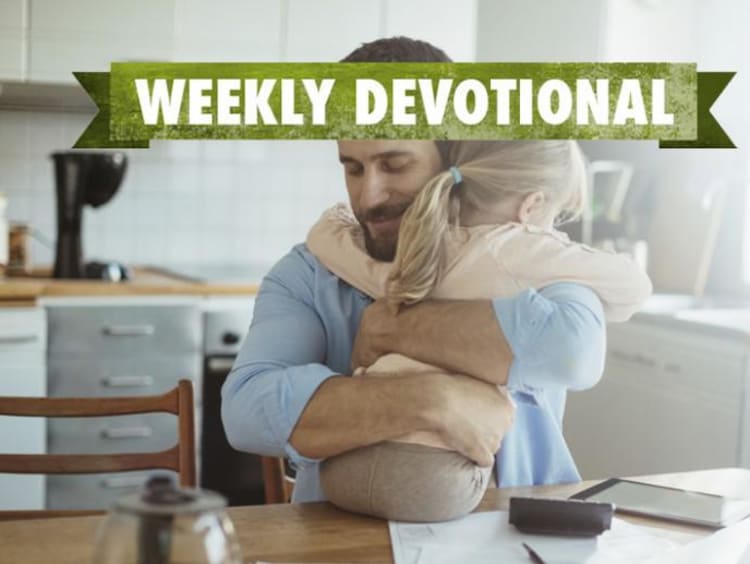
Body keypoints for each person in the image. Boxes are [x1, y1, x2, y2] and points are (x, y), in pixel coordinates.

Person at [221, 37, 615, 505]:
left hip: (512, 536)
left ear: (452, 158)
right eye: (352, 168)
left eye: (395, 164)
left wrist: (391, 328)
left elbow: (574, 351)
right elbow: (245, 410)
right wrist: (433, 401)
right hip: (343, 541)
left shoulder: (527, 253)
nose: (369, 197)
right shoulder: (309, 273)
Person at [307, 139, 651, 521]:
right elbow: (634, 286)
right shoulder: (524, 251)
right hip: (435, 483)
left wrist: (338, 218)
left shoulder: (415, 251)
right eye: (554, 217)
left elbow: (326, 240)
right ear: (531, 206)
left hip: (342, 468)